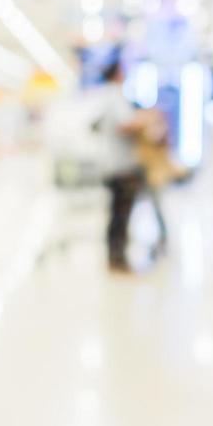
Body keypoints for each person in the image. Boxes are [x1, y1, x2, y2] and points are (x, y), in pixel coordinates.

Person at [91, 60, 143, 272]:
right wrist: (145, 122)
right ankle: (117, 260)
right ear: (119, 73)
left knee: (115, 214)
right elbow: (124, 124)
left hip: (109, 163)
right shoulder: (115, 96)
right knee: (120, 216)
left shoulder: (103, 97)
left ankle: (115, 258)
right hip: (121, 166)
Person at [134, 107, 177, 256]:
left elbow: (156, 138)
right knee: (149, 209)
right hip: (144, 173)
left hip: (156, 176)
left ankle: (162, 240)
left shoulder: (158, 131)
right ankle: (156, 240)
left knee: (157, 209)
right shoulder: (143, 131)